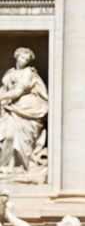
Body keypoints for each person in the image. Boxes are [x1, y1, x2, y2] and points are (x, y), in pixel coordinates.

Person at [0, 46, 48, 174]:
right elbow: (5, 89)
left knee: (21, 140)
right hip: (10, 108)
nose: (23, 61)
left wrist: (2, 97)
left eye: (26, 59)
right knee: (8, 136)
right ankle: (5, 167)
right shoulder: (10, 73)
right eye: (22, 57)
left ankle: (20, 167)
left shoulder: (28, 72)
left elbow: (18, 91)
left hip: (26, 109)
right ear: (16, 56)